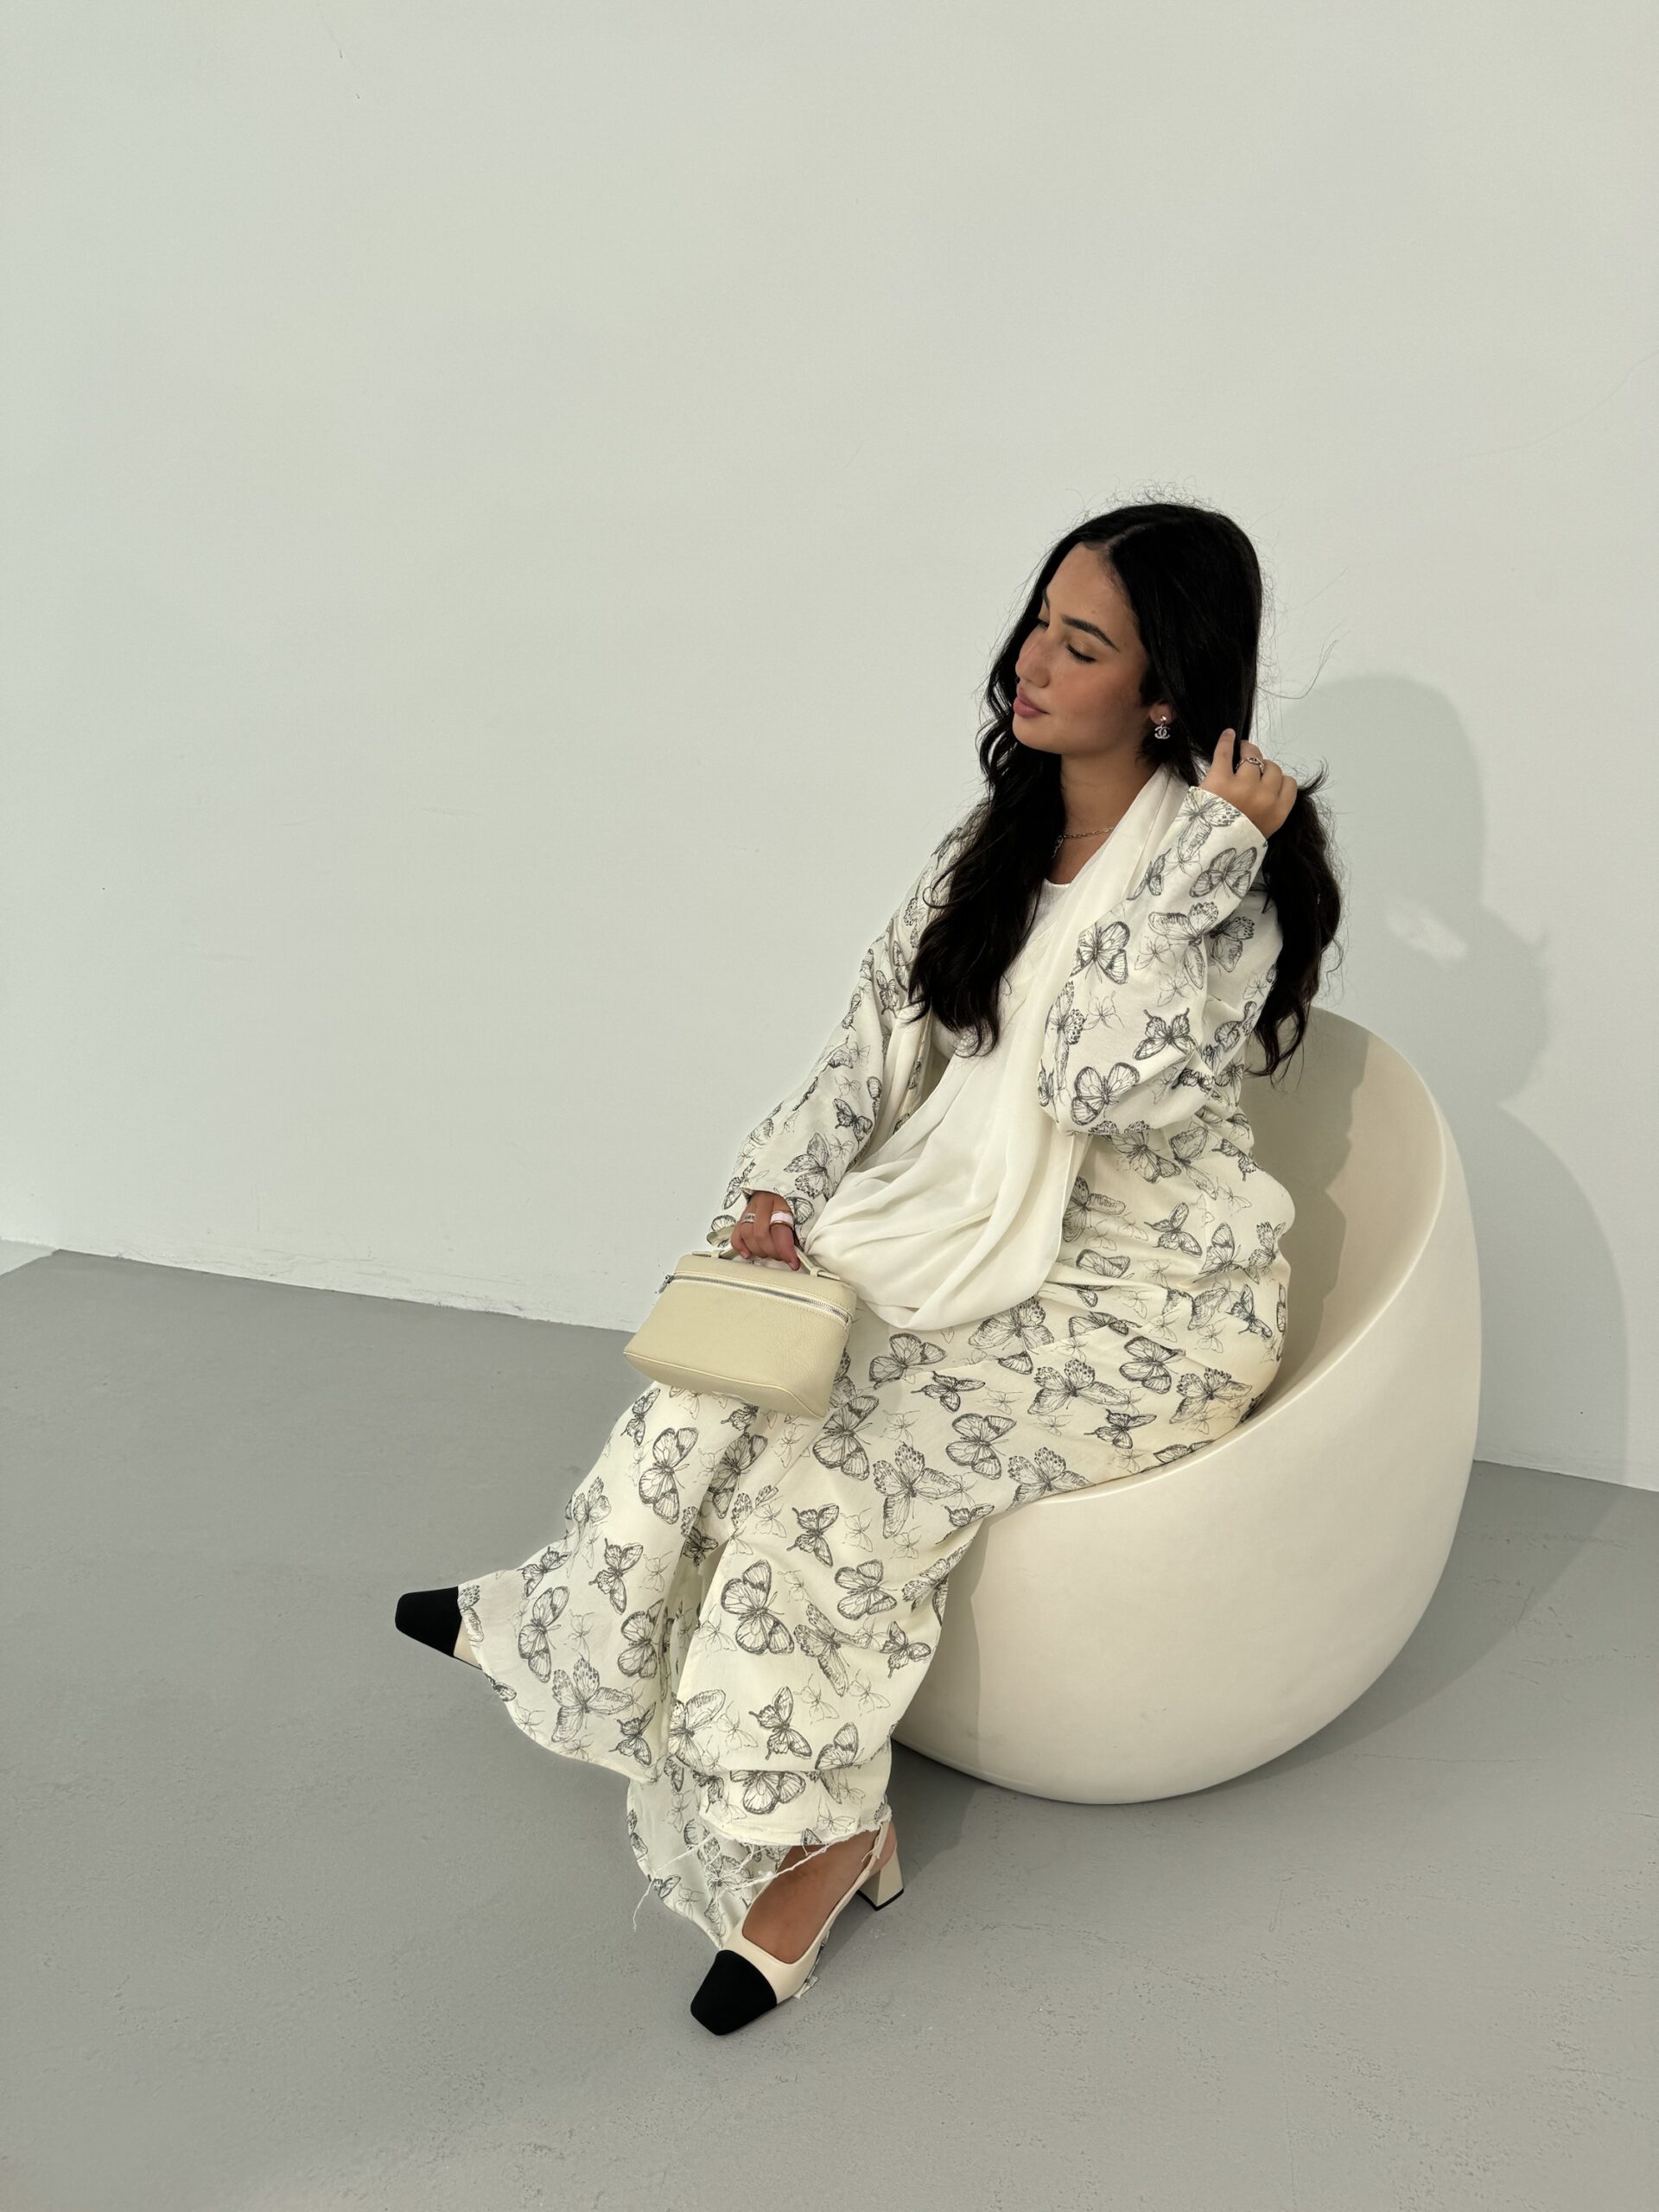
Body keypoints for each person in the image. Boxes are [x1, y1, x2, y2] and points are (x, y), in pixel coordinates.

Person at [396, 500, 1344, 2036]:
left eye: (1083, 644)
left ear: (1168, 693)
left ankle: (816, 1831)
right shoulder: (996, 842)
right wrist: (776, 1191)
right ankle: (575, 1619)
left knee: (839, 1455)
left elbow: (1094, 1081)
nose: (1033, 662)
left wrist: (1206, 856)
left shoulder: (1223, 885)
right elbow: (870, 1048)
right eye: (1039, 622)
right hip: (970, 1241)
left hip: (1142, 1306)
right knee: (744, 1352)